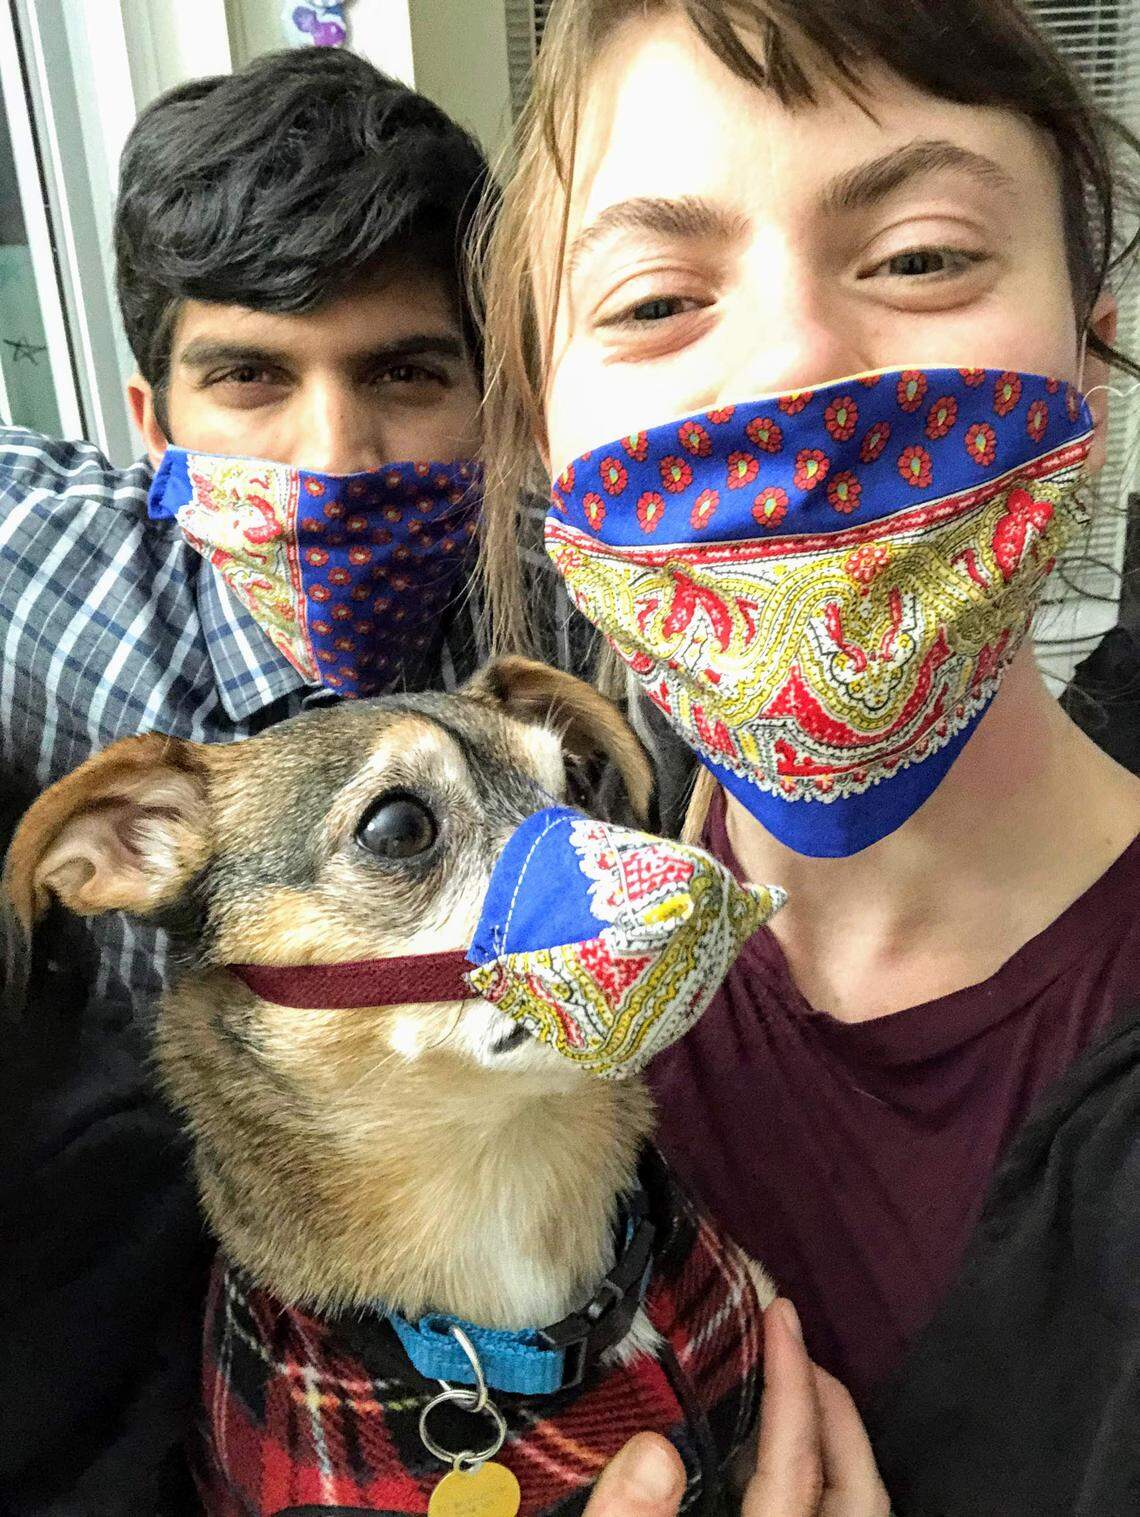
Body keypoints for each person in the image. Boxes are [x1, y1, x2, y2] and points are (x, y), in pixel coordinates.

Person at [476, 1, 1140, 1512]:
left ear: (1088, 351)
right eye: (651, 300)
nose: (790, 368)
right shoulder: (494, 1003)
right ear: (542, 433)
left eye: (920, 257)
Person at [0, 47, 488, 1514]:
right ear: (152, 424)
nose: (334, 458)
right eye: (251, 378)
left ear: (493, 393)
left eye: (405, 372)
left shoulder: (583, 624)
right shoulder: (52, 588)